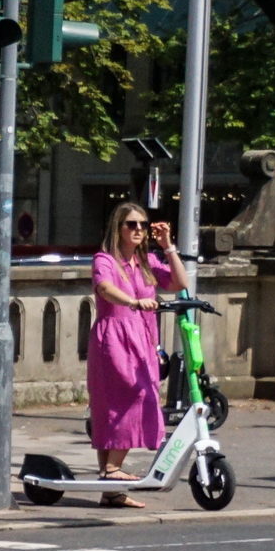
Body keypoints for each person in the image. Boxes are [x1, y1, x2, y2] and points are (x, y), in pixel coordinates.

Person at [88, 206, 180, 506]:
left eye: (143, 224)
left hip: (143, 340)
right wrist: (133, 302)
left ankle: (110, 491)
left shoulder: (147, 261)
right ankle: (113, 469)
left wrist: (168, 247)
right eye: (131, 224)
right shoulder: (105, 260)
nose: (138, 229)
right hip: (113, 338)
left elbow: (180, 283)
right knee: (131, 399)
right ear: (119, 228)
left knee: (122, 404)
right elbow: (104, 288)